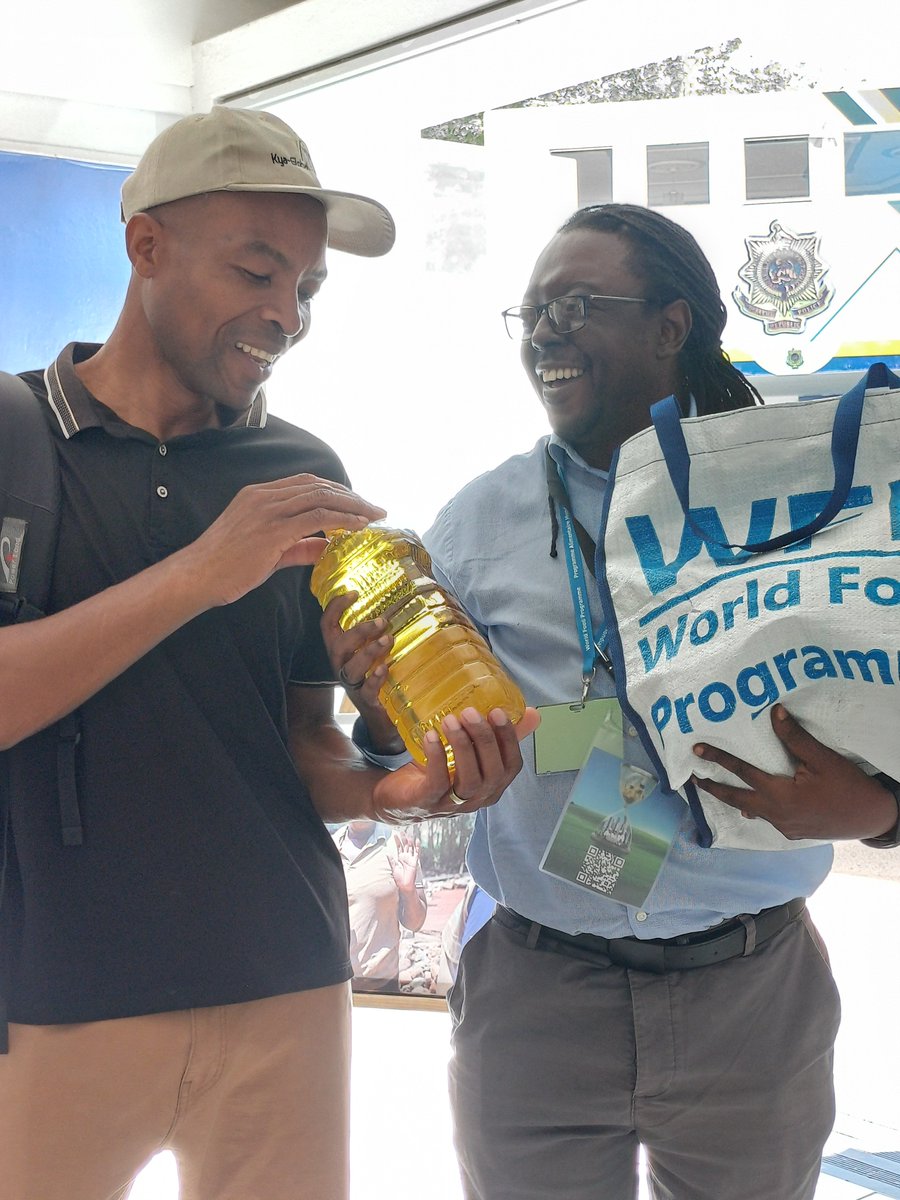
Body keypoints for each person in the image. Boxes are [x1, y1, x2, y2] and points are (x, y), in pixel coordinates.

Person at [0, 105, 538, 1200]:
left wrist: (402, 787)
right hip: (50, 995)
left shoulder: (302, 468)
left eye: (307, 287)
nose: (285, 314)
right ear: (145, 245)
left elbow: (302, 748)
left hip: (283, 982)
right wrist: (204, 569)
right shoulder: (12, 435)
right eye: (257, 271)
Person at [323, 203, 900, 1200]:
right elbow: (399, 747)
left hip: (750, 995)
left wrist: (885, 816)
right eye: (532, 311)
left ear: (672, 325)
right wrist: (377, 707)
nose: (545, 331)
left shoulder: (808, 494)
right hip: (537, 991)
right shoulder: (483, 516)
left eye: (579, 304)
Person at [332, 819, 427, 993]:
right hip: (333, 987)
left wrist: (408, 890)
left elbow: (415, 923)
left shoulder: (399, 846)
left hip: (381, 987)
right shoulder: (328, 845)